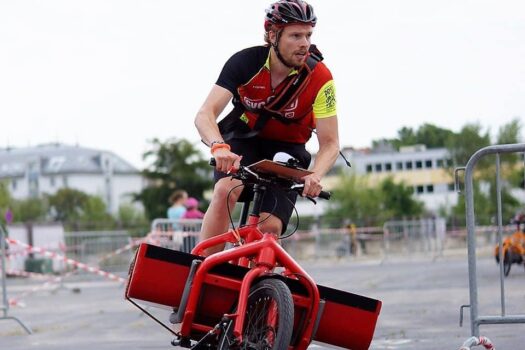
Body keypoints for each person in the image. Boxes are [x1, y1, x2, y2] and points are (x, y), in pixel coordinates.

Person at [194, 0, 340, 255]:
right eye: (295, 35)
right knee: (225, 191)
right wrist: (218, 147)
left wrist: (315, 174)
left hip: (288, 149)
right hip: (244, 141)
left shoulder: (321, 78)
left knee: (269, 228)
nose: (304, 43)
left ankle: (262, 287)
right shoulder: (245, 62)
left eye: (308, 35)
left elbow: (330, 143)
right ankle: (199, 269)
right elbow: (205, 114)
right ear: (273, 35)